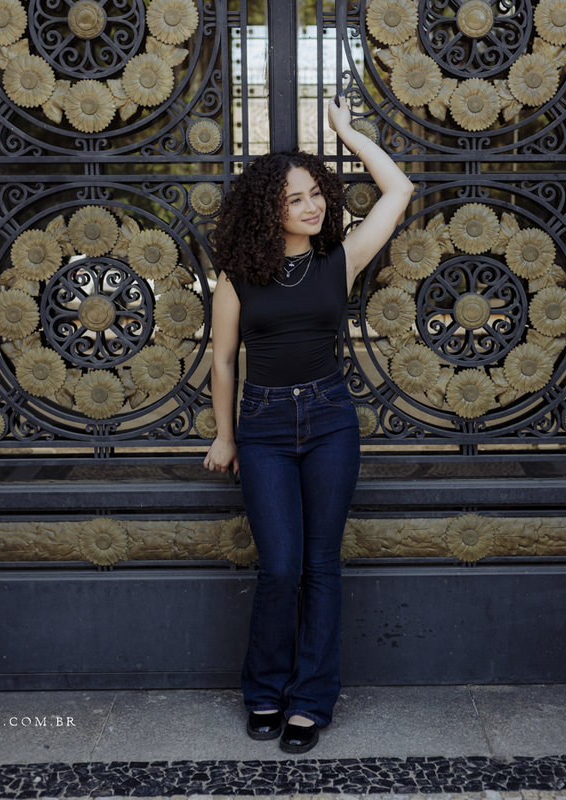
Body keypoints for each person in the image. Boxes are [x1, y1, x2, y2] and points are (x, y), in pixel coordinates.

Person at [202, 95, 414, 754]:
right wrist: (225, 434)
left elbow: (399, 188)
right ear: (270, 208)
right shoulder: (239, 277)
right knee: (281, 567)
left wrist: (347, 133)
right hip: (264, 427)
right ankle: (264, 691)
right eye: (295, 199)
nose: (312, 205)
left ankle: (309, 702)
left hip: (328, 421)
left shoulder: (339, 263)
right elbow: (222, 357)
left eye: (315, 194)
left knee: (322, 565)